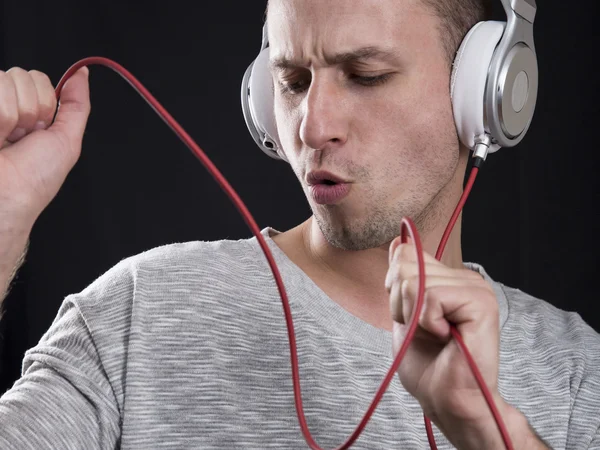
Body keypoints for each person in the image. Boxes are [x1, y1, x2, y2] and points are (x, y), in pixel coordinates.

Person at [0, 0, 598, 448]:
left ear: (487, 92)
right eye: (291, 81)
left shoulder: (574, 372)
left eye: (365, 76)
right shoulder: (137, 312)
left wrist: (482, 426)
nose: (312, 129)